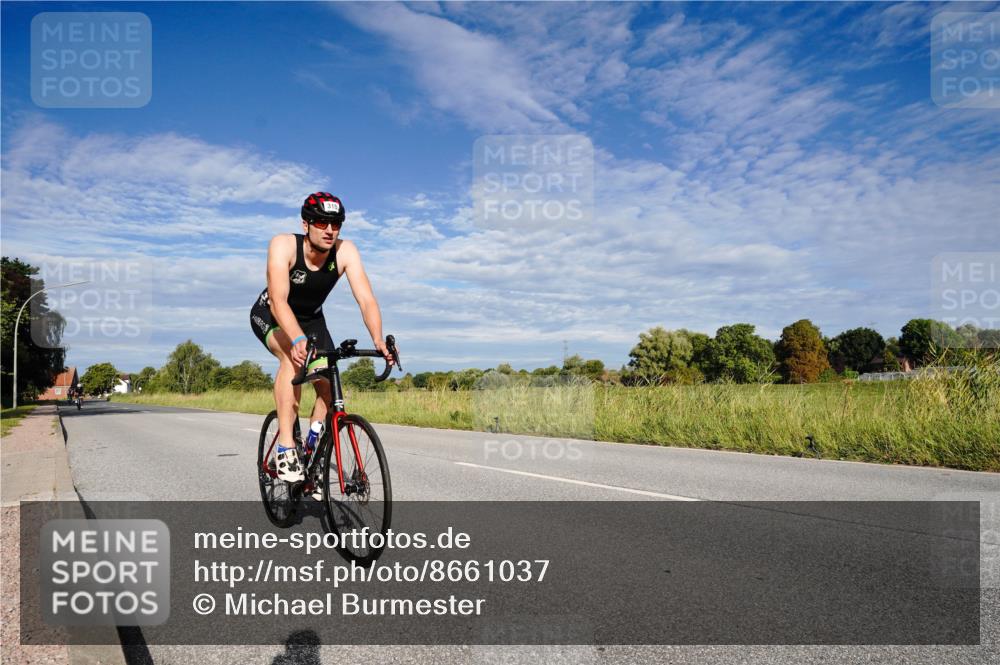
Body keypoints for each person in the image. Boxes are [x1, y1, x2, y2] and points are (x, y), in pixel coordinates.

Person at [250, 192, 393, 486]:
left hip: (312, 320)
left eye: (336, 224)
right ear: (306, 224)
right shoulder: (283, 245)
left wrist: (378, 339)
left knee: (328, 388)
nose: (329, 230)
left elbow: (366, 299)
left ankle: (312, 449)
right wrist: (297, 338)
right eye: (321, 222)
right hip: (272, 313)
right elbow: (278, 300)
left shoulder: (345, 251)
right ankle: (287, 447)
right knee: (293, 356)